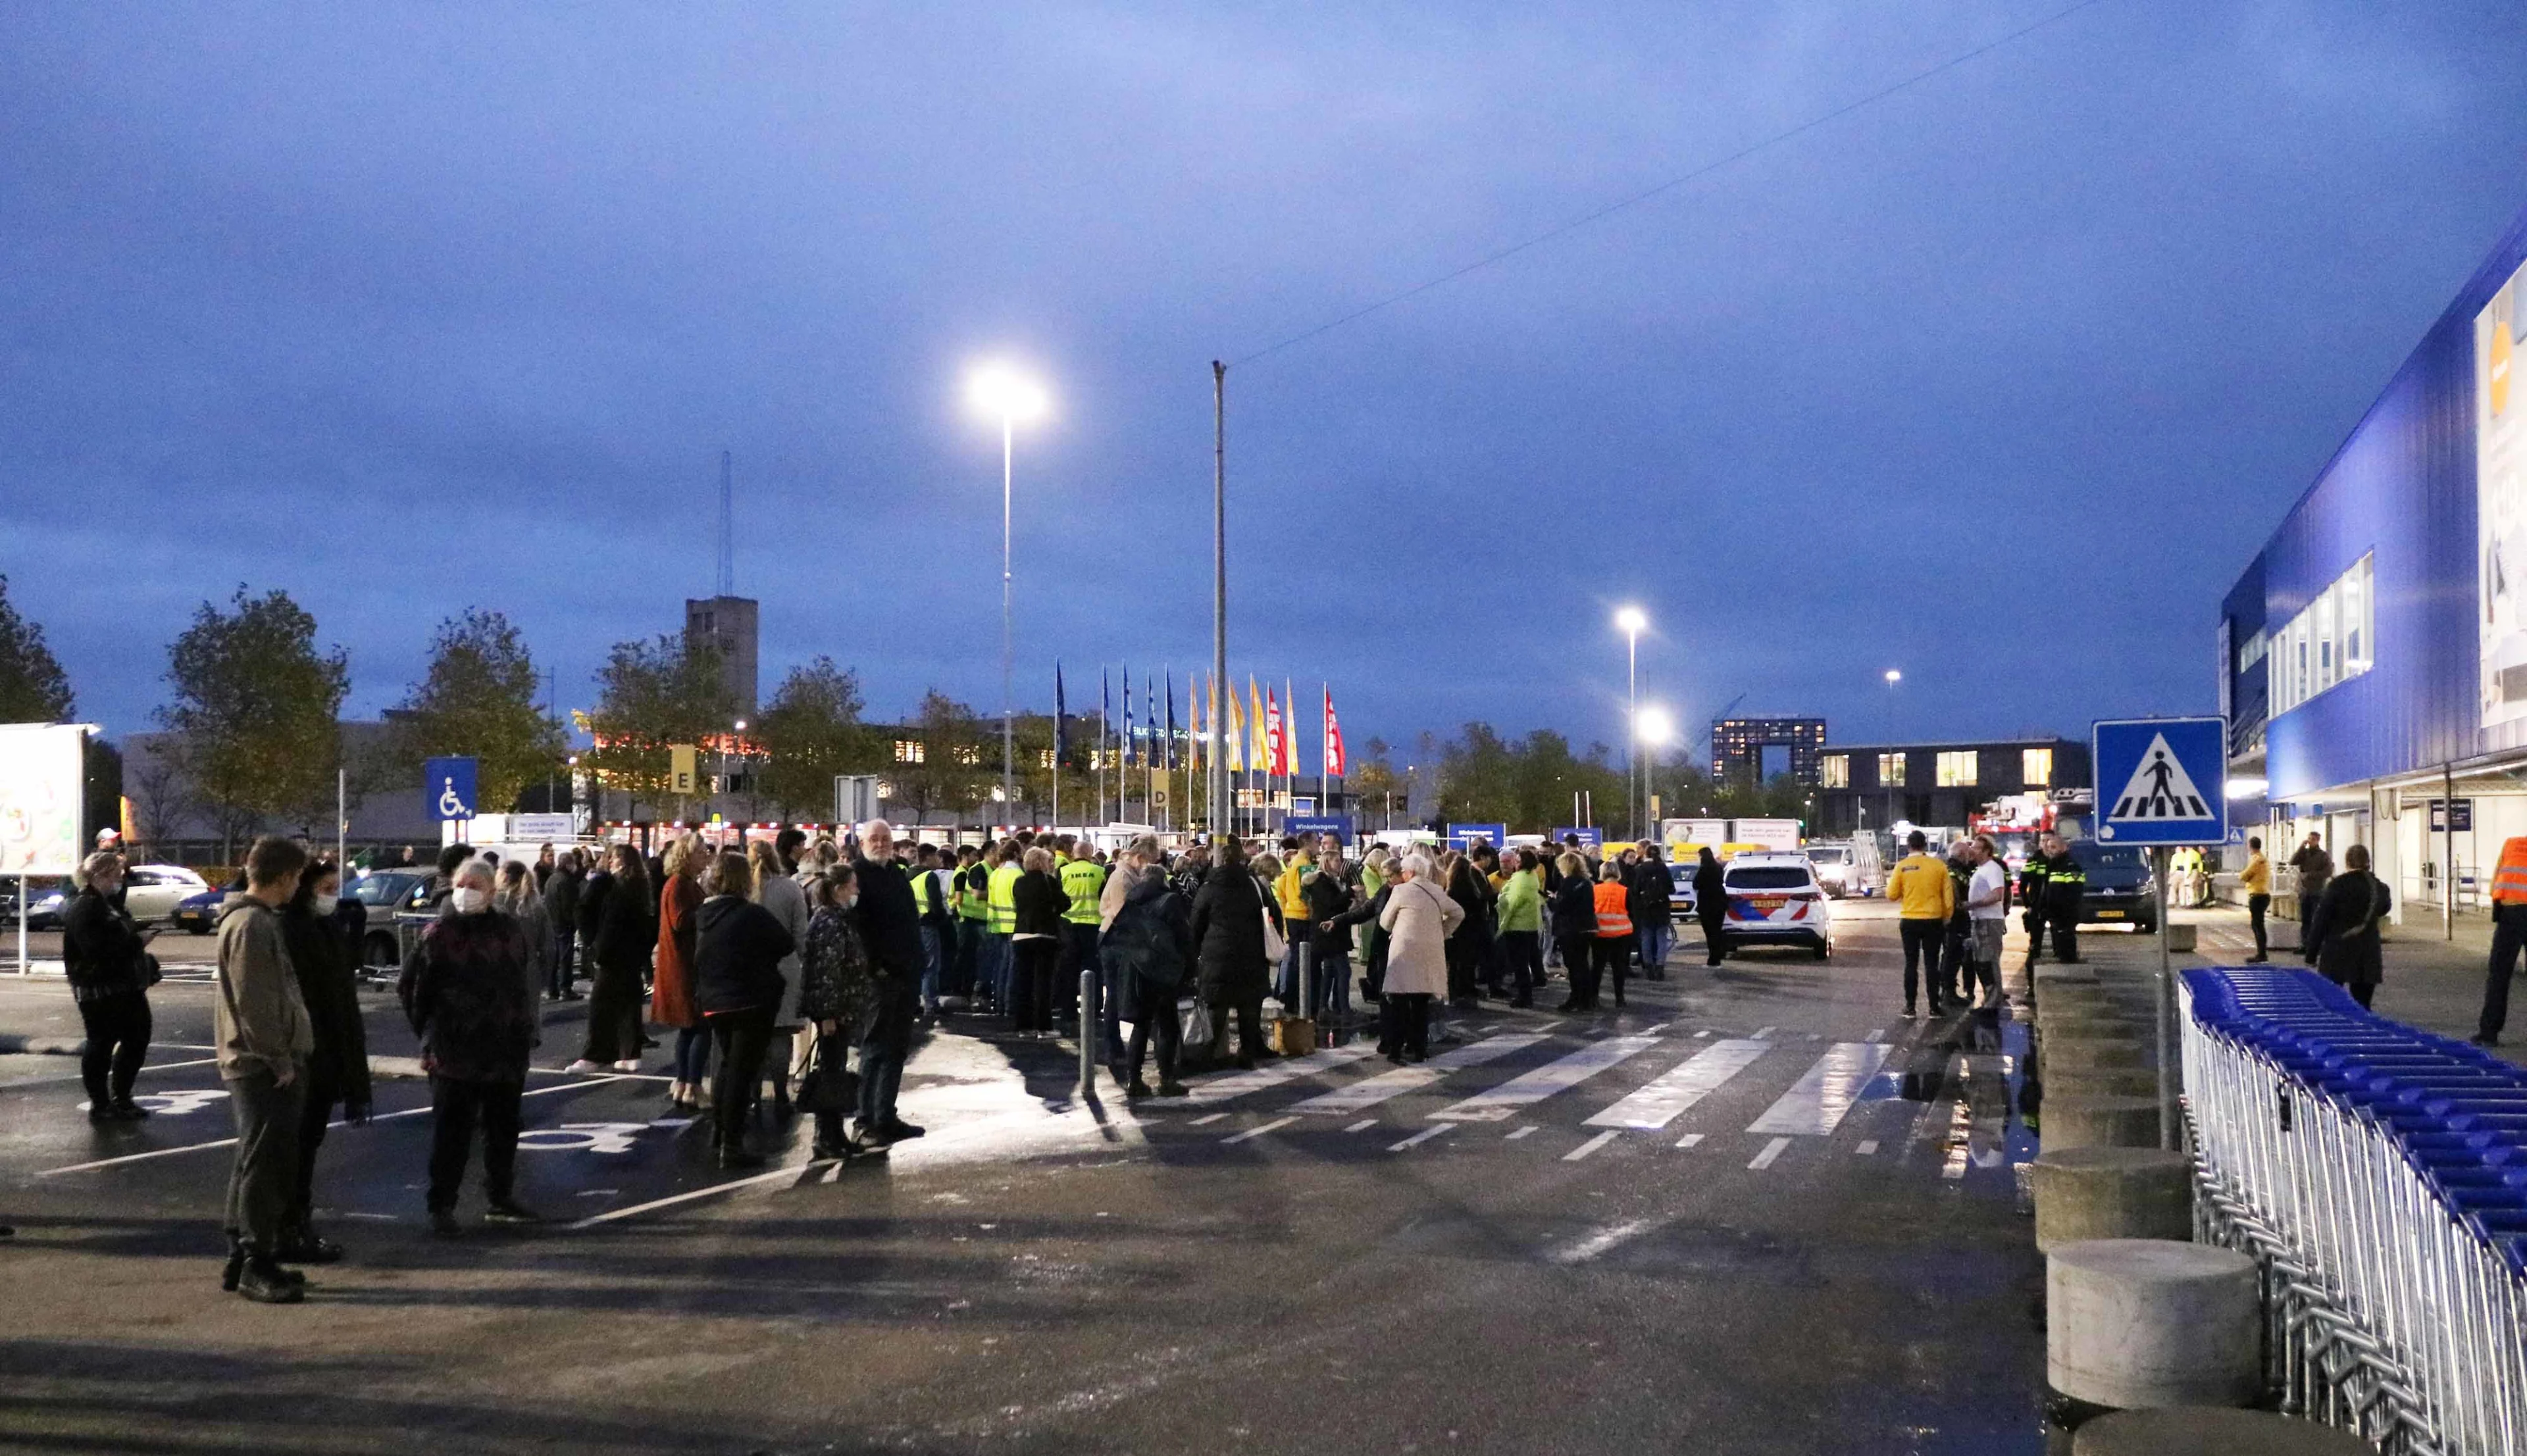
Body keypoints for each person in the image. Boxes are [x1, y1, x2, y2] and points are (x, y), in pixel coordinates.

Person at [399, 858, 543, 1234]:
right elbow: (413, 988)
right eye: (461, 884)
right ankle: (442, 1206)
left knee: (503, 1130)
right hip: (454, 1055)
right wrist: (430, 1033)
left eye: (474, 886)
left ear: (492, 893)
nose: (465, 892)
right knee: (452, 1133)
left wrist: (523, 1028)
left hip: (504, 1053)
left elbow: (523, 982)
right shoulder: (439, 934)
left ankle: (500, 1196)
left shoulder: (509, 931)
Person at [215, 836, 313, 1303]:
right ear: (282, 877)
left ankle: (244, 1254)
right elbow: (255, 1000)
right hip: (261, 1065)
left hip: (255, 1060)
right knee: (266, 1162)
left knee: (254, 1156)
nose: (299, 886)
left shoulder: (250, 920)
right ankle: (257, 1259)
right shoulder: (253, 924)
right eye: (297, 877)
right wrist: (279, 1057)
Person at [277, 859, 370, 1265]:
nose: (332, 896)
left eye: (336, 888)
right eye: (325, 888)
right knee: (294, 1148)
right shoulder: (291, 931)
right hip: (304, 1055)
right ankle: (286, 1229)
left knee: (308, 1145)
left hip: (326, 1053)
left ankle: (297, 1224)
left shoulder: (326, 930)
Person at [692, 851, 794, 1168]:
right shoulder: (751, 914)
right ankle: (732, 1144)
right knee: (742, 1071)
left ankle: (720, 1132)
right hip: (750, 1000)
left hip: (714, 1000)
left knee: (726, 1067)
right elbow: (784, 944)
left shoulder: (706, 916)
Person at [62, 851, 157, 1124]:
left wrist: (136, 934)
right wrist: (137, 943)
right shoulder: (85, 906)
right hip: (98, 989)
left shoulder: (109, 903)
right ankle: (101, 1103)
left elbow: (119, 931)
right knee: (101, 1044)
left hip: (125, 986)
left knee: (137, 1038)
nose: (120, 880)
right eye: (117, 875)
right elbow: (94, 949)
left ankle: (122, 1098)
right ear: (101, 875)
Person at [852, 820, 926, 1145]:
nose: (880, 843)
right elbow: (857, 928)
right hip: (879, 979)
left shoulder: (896, 874)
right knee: (875, 1048)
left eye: (885, 839)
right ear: (862, 842)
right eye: (874, 839)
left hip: (906, 975)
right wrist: (875, 967)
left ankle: (885, 1114)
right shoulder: (858, 876)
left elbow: (910, 920)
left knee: (897, 1049)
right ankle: (865, 1121)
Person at [798, 863, 875, 1157]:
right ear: (840, 889)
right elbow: (826, 971)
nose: (857, 890)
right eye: (853, 885)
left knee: (834, 1071)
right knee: (831, 1074)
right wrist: (828, 1014)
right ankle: (825, 1136)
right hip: (834, 1010)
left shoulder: (836, 918)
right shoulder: (830, 921)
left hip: (841, 1008)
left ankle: (833, 1134)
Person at [1106, 845, 1194, 1097]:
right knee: (1167, 1026)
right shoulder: (1171, 901)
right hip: (1162, 972)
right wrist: (1190, 970)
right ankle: (1167, 1079)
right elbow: (1183, 938)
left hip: (1135, 970)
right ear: (1163, 879)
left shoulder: (1130, 901)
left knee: (1141, 1026)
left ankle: (1134, 1080)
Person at [1190, 836, 1272, 1068]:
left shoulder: (1209, 887)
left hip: (1218, 956)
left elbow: (1196, 923)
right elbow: (1270, 912)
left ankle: (1208, 1056)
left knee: (1217, 1008)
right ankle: (1247, 1054)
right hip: (1251, 954)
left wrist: (1194, 954)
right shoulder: (1254, 885)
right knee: (1249, 1008)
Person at [572, 844, 652, 1076]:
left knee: (615, 1003)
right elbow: (584, 910)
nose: (613, 861)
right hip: (613, 951)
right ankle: (618, 1053)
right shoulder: (609, 883)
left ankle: (607, 1053)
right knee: (614, 1002)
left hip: (620, 952)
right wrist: (594, 943)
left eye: (618, 858)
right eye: (612, 857)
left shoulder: (633, 885)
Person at [1375, 853, 1463, 1062]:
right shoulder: (1436, 890)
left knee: (1399, 1003)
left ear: (1410, 872)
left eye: (1404, 872)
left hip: (1405, 952)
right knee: (1421, 1005)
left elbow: (1385, 922)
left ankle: (1396, 1050)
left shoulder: (1400, 891)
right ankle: (1419, 1049)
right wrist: (1442, 932)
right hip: (1429, 952)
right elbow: (1458, 913)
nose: (1402, 875)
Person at [747, 838, 812, 1120]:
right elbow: (801, 934)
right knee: (780, 1034)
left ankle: (752, 1093)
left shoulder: (743, 888)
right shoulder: (790, 888)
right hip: (784, 968)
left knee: (751, 1037)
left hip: (747, 971)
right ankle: (781, 1091)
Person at [653, 836, 710, 1110]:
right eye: (701, 852)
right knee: (700, 1027)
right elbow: (680, 921)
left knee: (688, 1030)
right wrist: (709, 909)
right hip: (685, 967)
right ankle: (693, 1086)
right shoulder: (680, 885)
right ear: (687, 856)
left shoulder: (681, 883)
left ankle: (683, 1083)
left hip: (683, 965)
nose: (706, 856)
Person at [2306, 844, 2391, 1010]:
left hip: (2338, 951)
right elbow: (2384, 909)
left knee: (2332, 1003)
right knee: (2362, 1005)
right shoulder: (2379, 887)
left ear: (2347, 862)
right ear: (2368, 862)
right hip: (2367, 953)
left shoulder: (2337, 886)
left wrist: (2311, 954)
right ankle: (2362, 1033)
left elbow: (2320, 922)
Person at [1887, 831, 1954, 1017]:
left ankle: (1910, 1007)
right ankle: (1934, 1007)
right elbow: (1948, 897)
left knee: (1911, 963)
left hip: (1910, 920)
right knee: (1932, 964)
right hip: (1933, 920)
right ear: (1925, 845)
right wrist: (1947, 916)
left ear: (1908, 846)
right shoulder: (1938, 866)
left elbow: (1891, 894)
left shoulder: (1902, 866)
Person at [2474, 836, 2527, 1045]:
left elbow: (2494, 884)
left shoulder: (2511, 844)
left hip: (2510, 912)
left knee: (2499, 975)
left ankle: (2489, 1033)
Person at [1058, 843, 1111, 1051]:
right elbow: (1104, 899)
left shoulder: (1063, 871)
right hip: (1092, 926)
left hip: (1068, 926)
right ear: (1090, 855)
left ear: (1074, 854)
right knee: (1093, 970)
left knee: (1069, 972)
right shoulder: (1099, 872)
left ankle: (1068, 1011)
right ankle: (1094, 1008)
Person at [1009, 846, 1066, 1036]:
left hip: (1021, 935)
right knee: (1043, 984)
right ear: (1042, 862)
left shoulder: (1018, 882)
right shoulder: (1049, 881)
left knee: (1023, 983)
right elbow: (1065, 903)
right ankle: (1044, 1027)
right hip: (1045, 935)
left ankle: (1023, 1026)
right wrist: (1052, 912)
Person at [1301, 847, 1358, 1019]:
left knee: (1330, 970)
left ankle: (1324, 1007)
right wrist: (1351, 892)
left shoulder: (1330, 881)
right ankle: (1343, 1009)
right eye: (1337, 861)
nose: (1340, 864)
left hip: (1332, 932)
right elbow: (1331, 904)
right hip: (1329, 933)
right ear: (1327, 863)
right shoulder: (1321, 882)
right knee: (1343, 970)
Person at [492, 859, 551, 1023]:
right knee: (526, 1022)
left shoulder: (492, 905)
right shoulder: (536, 906)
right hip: (528, 971)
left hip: (498, 972)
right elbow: (548, 947)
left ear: (503, 877)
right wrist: (544, 974)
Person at [1550, 851, 1600, 1009]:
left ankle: (1576, 997)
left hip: (1570, 929)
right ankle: (1587, 999)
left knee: (1573, 965)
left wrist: (1552, 901)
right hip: (1587, 927)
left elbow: (1563, 907)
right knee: (1583, 964)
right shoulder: (1586, 882)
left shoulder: (1568, 883)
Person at [1964, 836, 2008, 1009]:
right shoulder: (1982, 869)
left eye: (1976, 848)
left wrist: (1972, 905)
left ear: (1986, 851)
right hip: (1982, 921)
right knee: (1983, 962)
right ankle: (1990, 999)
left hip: (1988, 921)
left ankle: (1992, 1003)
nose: (1971, 851)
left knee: (1988, 962)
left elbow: (1997, 895)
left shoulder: (1992, 869)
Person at [914, 843, 956, 1019]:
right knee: (932, 965)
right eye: (935, 857)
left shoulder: (910, 875)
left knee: (919, 965)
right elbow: (936, 904)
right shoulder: (929, 877)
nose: (938, 860)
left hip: (915, 924)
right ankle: (931, 1003)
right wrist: (942, 919)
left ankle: (917, 1002)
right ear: (927, 858)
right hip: (929, 925)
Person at [1590, 861, 1635, 1011]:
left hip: (1600, 933)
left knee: (1598, 967)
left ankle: (1594, 996)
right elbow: (1632, 912)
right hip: (1621, 934)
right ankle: (1620, 998)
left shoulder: (1595, 890)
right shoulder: (1625, 891)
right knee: (1618, 967)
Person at [986, 840, 1022, 1015]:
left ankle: (998, 1003)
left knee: (1000, 967)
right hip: (1013, 925)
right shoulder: (1016, 874)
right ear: (1015, 854)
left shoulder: (996, 874)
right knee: (1012, 968)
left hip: (997, 924)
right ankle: (1010, 1006)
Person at [541, 847, 582, 999]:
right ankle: (566, 988)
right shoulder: (566, 881)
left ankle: (552, 989)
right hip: (564, 925)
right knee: (566, 958)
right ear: (568, 864)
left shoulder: (552, 879)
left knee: (554, 958)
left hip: (553, 923)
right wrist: (574, 923)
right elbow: (569, 906)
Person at [1629, 845, 1673, 980]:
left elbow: (1635, 890)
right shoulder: (1663, 869)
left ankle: (1648, 967)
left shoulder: (1640, 869)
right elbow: (1671, 889)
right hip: (1662, 908)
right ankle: (1660, 967)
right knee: (1661, 939)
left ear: (1646, 855)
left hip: (1645, 909)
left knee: (1646, 938)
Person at [952, 844, 988, 1005]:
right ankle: (961, 988)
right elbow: (958, 898)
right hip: (965, 919)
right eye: (974, 855)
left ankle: (963, 988)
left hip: (969, 918)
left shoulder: (965, 873)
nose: (977, 858)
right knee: (966, 956)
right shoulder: (961, 874)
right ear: (965, 857)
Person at [2042, 834, 2087, 965]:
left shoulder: (2071, 867)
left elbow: (2074, 893)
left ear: (2064, 848)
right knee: (2060, 944)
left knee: (2067, 941)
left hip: (2066, 914)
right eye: (2049, 847)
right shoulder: (2053, 867)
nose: (2050, 850)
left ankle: (2070, 965)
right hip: (2056, 914)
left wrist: (2065, 912)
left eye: (2054, 847)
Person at [2289, 833, 2334, 959]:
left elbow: (2328, 872)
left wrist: (2310, 875)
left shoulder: (2323, 856)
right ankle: (2305, 945)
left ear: (2318, 841)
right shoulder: (2304, 854)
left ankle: (2316, 946)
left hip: (2318, 892)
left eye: (2313, 839)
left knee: (2316, 920)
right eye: (2309, 839)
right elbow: (2293, 861)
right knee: (2305, 920)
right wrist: (2301, 848)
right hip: (2305, 892)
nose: (2310, 841)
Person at [1692, 847, 1728, 966]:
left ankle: (1713, 959)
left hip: (1707, 904)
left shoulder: (1703, 869)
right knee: (1717, 931)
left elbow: (1696, 884)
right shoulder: (1718, 867)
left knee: (1709, 932)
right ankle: (1718, 956)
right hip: (1720, 902)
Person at [2239, 836, 2272, 963]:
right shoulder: (2260, 859)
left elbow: (2244, 875)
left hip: (2258, 896)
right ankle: (2261, 953)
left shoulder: (2258, 860)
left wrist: (2244, 876)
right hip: (2261, 895)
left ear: (2250, 846)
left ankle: (2262, 954)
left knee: (2258, 926)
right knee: (2257, 925)